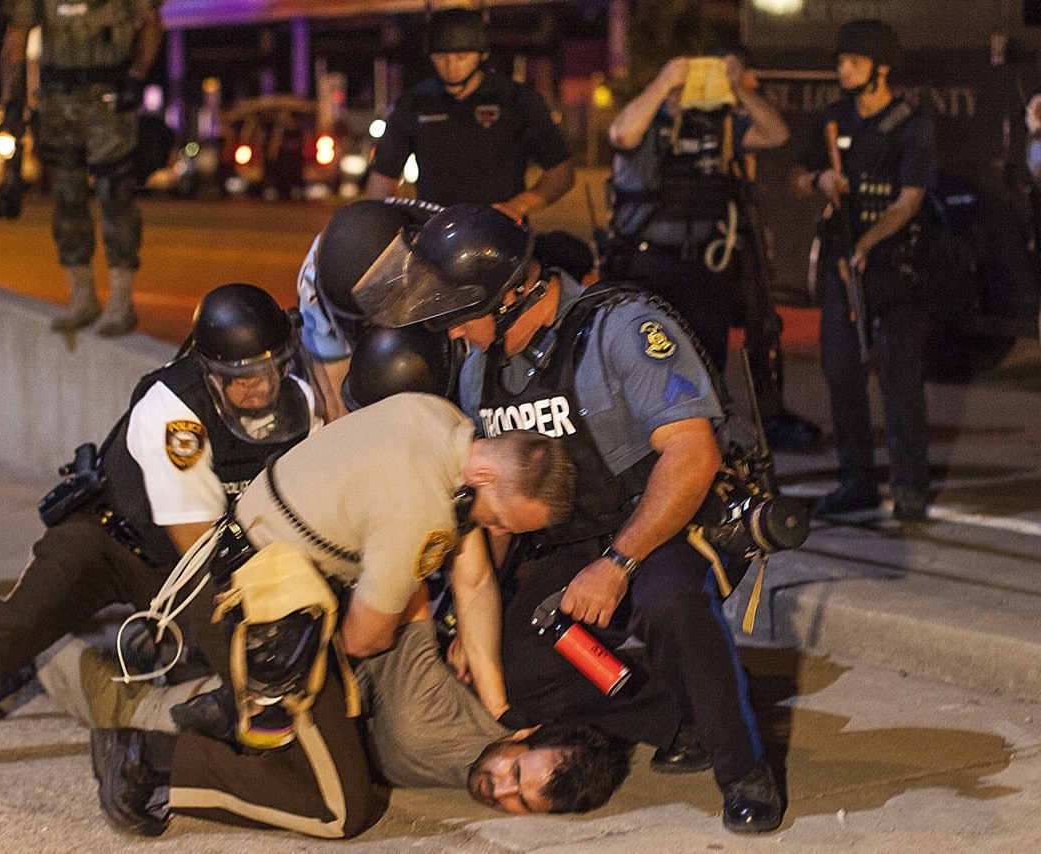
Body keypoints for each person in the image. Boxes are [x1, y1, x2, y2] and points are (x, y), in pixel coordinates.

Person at [352, 203, 785, 834]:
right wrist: (472, 621)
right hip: (565, 541)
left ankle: (741, 766)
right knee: (511, 675)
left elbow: (694, 456)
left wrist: (617, 564)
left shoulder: (622, 329)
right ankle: (679, 713)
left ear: (506, 298)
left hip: (659, 523)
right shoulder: (482, 370)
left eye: (456, 317)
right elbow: (496, 516)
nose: (449, 334)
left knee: (669, 601)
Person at [0, 283, 318, 790]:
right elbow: (197, 547)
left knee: (261, 683)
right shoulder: (172, 408)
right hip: (113, 541)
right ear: (208, 371)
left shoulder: (300, 401)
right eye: (242, 375)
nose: (262, 387)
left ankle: (114, 665)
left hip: (199, 556)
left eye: (271, 368)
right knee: (13, 629)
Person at [88, 392, 578, 836]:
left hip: (248, 567)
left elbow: (473, 581)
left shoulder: (440, 419)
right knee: (340, 809)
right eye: (496, 518)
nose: (491, 528)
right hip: (259, 616)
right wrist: (328, 697)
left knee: (320, 745)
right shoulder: (420, 510)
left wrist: (495, 707)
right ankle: (146, 761)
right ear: (485, 478)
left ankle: (234, 716)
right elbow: (363, 639)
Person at [34, 606, 623, 816]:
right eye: (515, 773)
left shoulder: (477, 763)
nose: (501, 791)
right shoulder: (447, 710)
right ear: (525, 733)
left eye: (521, 803)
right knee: (133, 711)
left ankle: (124, 673)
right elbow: (414, 598)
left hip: (308, 724)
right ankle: (34, 651)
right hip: (294, 682)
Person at [606, 47, 821, 451]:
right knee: (642, 366)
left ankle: (704, 451)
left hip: (700, 265)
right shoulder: (648, 121)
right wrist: (664, 82)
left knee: (706, 363)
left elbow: (776, 133)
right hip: (644, 264)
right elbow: (622, 134)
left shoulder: (717, 127)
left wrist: (738, 87)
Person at [793, 19, 936, 521]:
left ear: (881, 67)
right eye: (841, 60)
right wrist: (820, 178)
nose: (843, 69)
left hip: (893, 270)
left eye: (852, 61)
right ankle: (856, 481)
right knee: (841, 374)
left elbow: (910, 199)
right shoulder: (833, 119)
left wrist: (870, 241)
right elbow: (796, 175)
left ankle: (911, 484)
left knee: (899, 379)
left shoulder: (909, 124)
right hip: (841, 268)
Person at [0, 0, 164, 336]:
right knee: (67, 199)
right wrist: (12, 101)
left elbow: (151, 24)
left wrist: (136, 75)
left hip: (109, 100)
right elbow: (15, 40)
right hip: (59, 102)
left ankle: (121, 301)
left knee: (114, 195)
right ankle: (82, 295)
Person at [364, 7, 575, 221]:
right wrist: (395, 222)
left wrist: (518, 206)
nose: (451, 66)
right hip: (435, 234)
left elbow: (561, 171)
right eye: (442, 56)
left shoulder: (515, 99)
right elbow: (381, 180)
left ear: (482, 54)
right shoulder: (415, 102)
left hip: (501, 232)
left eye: (462, 56)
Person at [296, 196, 443, 421]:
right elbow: (336, 407)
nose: (377, 329)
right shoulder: (315, 285)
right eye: (364, 324)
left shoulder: (445, 255)